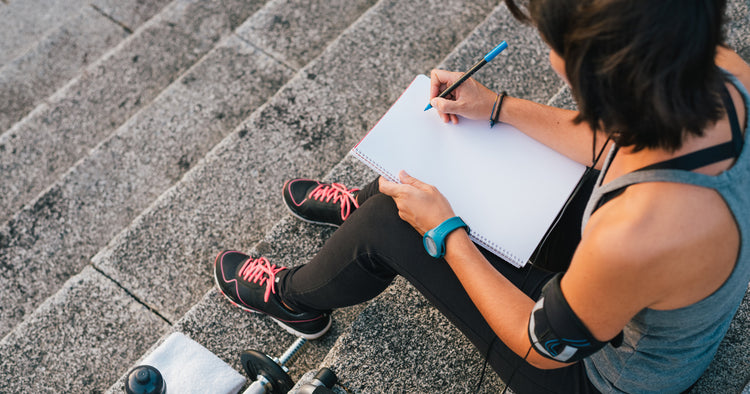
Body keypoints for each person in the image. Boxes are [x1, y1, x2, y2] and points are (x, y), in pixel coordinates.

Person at [212, 0, 750, 392]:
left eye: (554, 46)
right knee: (421, 174)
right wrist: (496, 107)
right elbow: (615, 141)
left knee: (387, 221)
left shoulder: (636, 232)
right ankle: (373, 218)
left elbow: (541, 348)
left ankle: (295, 300)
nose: (549, 59)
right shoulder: (724, 71)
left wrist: (448, 233)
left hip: (601, 375)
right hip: (648, 293)